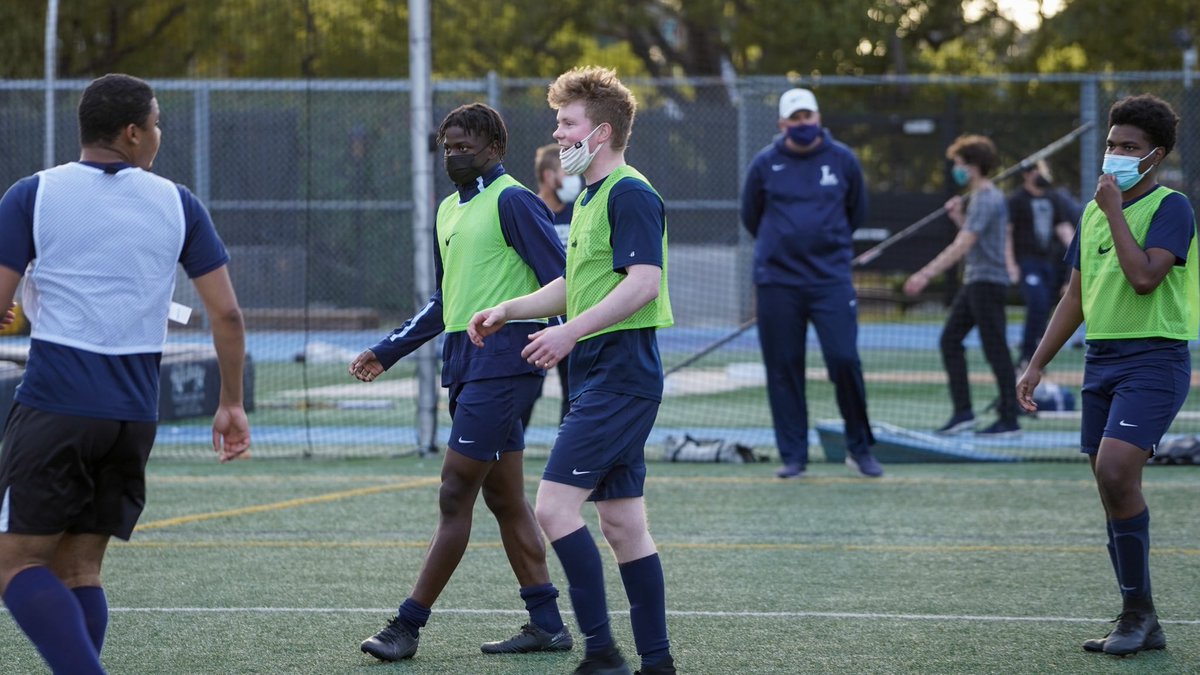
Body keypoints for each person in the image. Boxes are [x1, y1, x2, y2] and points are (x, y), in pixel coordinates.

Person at [0, 73, 251, 674]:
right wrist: (231, 403)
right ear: (133, 133)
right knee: (79, 569)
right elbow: (227, 313)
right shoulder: (178, 202)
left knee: (15, 565)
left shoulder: (31, 194)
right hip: (135, 414)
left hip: (55, 405)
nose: (160, 134)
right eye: (158, 123)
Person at [468, 65, 677, 675]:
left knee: (556, 510)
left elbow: (643, 284)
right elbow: (575, 286)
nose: (557, 134)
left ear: (601, 130)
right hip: (600, 371)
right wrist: (510, 309)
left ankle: (603, 653)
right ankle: (656, 663)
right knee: (622, 524)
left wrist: (569, 333)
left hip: (620, 372)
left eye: (567, 123)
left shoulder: (629, 192)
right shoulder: (588, 194)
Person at [353, 103, 572, 663]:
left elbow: (565, 282)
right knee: (505, 499)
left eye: (464, 147)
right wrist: (388, 350)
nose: (453, 156)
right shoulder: (449, 209)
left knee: (455, 493)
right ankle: (547, 624)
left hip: (505, 363)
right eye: (447, 147)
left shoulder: (515, 201)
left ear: (495, 147)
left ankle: (407, 626)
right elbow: (445, 300)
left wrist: (564, 338)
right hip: (465, 365)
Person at [1017, 94, 1196, 656]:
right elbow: (1076, 294)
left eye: (1130, 148)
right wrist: (1038, 362)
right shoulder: (1094, 212)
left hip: (1154, 359)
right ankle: (1142, 620)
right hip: (1101, 361)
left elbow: (1143, 278)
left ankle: (1137, 615)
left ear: (1155, 156)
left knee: (1118, 471)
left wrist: (1115, 209)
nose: (1115, 155)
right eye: (1112, 144)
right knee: (1110, 486)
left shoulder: (1173, 207)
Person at [739, 87, 883, 479]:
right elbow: (751, 216)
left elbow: (857, 211)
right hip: (777, 281)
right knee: (784, 368)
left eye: (809, 117)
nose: (804, 124)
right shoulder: (765, 164)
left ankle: (860, 448)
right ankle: (794, 455)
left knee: (844, 359)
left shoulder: (843, 160)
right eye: (796, 119)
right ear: (783, 124)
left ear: (818, 118)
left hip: (830, 279)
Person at [904, 134, 1019, 437]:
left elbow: (965, 244)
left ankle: (1010, 417)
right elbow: (974, 235)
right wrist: (958, 217)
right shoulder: (981, 199)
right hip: (976, 282)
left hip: (987, 283)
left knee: (996, 350)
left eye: (959, 164)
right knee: (950, 340)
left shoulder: (987, 196)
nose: (955, 169)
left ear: (974, 165)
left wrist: (925, 274)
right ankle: (963, 413)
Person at [1005, 159, 1077, 370]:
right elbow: (1007, 233)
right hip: (1027, 262)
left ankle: (1037, 358)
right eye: (1038, 171)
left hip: (1049, 263)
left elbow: (1063, 227)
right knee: (1037, 303)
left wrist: (1079, 249)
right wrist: (1011, 265)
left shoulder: (1053, 198)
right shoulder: (1017, 200)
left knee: (1045, 308)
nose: (1042, 174)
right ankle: (1026, 357)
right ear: (1027, 174)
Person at [533, 143, 583, 423]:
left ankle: (568, 451)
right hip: (537, 315)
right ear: (549, 176)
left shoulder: (578, 212)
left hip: (573, 313)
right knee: (528, 390)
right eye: (565, 172)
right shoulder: (529, 209)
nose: (572, 179)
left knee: (574, 388)